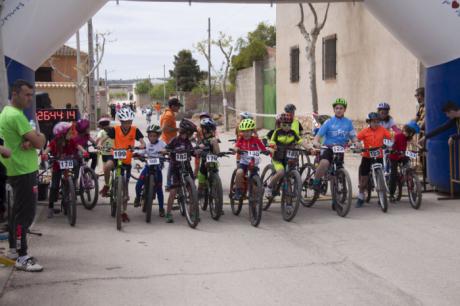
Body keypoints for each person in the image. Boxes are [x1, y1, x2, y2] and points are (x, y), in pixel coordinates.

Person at [0, 79, 46, 272]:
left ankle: (13, 249)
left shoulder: (6, 113)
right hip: (23, 170)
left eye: (31, 95)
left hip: (15, 170)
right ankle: (22, 256)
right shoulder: (16, 116)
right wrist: (37, 137)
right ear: (15, 93)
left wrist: (33, 139)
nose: (29, 98)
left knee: (16, 214)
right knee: (25, 216)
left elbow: (33, 140)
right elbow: (39, 141)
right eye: (26, 94)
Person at [311, 98, 361, 205]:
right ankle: (316, 181)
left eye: (341, 108)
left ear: (344, 110)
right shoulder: (329, 122)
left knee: (336, 172)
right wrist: (316, 142)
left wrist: (356, 142)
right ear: (334, 110)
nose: (339, 110)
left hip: (340, 149)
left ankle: (335, 199)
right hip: (328, 148)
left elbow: (353, 136)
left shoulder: (348, 123)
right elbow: (318, 136)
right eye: (337, 108)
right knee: (324, 163)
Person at [99, 108, 146, 222]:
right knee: (107, 166)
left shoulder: (135, 130)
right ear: (121, 122)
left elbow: (142, 142)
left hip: (127, 159)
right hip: (115, 155)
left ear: (131, 121)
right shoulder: (115, 129)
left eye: (129, 121)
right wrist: (100, 144)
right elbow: (105, 138)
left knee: (125, 188)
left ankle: (124, 212)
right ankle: (106, 185)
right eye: (124, 122)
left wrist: (141, 145)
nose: (127, 124)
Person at [41, 122, 88, 218]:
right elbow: (48, 149)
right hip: (57, 166)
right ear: (62, 134)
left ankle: (67, 198)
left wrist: (84, 151)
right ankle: (51, 206)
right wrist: (44, 154)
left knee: (70, 182)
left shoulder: (72, 141)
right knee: (54, 186)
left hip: (68, 165)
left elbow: (78, 146)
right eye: (70, 132)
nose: (72, 134)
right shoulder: (55, 142)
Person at [355, 112, 392, 208]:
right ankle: (361, 196)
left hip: (379, 156)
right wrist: (357, 144)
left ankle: (382, 196)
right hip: (367, 156)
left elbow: (390, 138)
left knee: (382, 175)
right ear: (369, 122)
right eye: (373, 121)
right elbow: (356, 139)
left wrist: (389, 144)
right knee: (364, 179)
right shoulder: (365, 131)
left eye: (377, 121)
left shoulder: (383, 130)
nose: (375, 123)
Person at [164, 119, 197, 223]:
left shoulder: (188, 142)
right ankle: (168, 213)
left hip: (186, 167)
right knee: (173, 191)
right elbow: (167, 148)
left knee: (192, 190)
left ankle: (192, 213)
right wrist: (165, 151)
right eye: (189, 133)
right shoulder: (175, 140)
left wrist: (197, 151)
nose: (189, 135)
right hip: (176, 168)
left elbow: (193, 152)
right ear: (184, 132)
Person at [265, 113, 304, 198]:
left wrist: (310, 148)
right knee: (281, 172)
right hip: (278, 158)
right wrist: (272, 147)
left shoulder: (293, 133)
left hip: (289, 158)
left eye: (289, 125)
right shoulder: (277, 132)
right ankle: (269, 187)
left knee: (290, 174)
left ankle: (289, 198)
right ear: (280, 124)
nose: (287, 127)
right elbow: (272, 141)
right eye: (284, 125)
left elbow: (301, 141)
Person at [134, 124, 166, 217]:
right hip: (148, 167)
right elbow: (142, 152)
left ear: (158, 136)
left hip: (157, 168)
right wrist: (137, 154)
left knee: (159, 189)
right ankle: (137, 197)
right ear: (148, 136)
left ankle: (161, 208)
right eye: (150, 135)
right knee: (138, 184)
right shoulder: (147, 145)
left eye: (154, 136)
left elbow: (166, 149)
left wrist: (165, 151)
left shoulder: (162, 144)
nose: (152, 138)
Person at [233, 118, 266, 201]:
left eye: (248, 131)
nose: (246, 133)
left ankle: (255, 197)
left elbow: (263, 148)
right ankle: (238, 190)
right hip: (243, 162)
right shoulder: (241, 139)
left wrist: (267, 151)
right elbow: (236, 146)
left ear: (252, 132)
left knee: (256, 184)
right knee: (239, 172)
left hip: (253, 163)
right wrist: (236, 149)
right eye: (243, 131)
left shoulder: (256, 140)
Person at [389, 121, 420, 202]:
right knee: (393, 174)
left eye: (411, 133)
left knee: (408, 165)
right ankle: (391, 194)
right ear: (405, 130)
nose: (409, 135)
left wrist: (422, 148)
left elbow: (414, 143)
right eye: (408, 132)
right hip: (394, 156)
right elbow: (392, 144)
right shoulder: (398, 135)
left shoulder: (408, 138)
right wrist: (392, 149)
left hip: (402, 156)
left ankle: (409, 179)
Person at [196, 118, 220, 200]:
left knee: (214, 179)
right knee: (201, 178)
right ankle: (199, 192)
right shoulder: (202, 139)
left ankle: (217, 200)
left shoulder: (213, 139)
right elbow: (198, 147)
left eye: (202, 128)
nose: (202, 130)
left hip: (212, 162)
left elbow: (217, 151)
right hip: (205, 162)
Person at [96, 117, 113, 190]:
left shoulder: (112, 131)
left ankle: (108, 184)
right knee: (106, 170)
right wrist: (98, 144)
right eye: (104, 125)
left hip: (112, 153)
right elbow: (98, 140)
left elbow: (98, 140)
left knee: (108, 169)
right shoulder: (102, 132)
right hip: (105, 153)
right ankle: (107, 184)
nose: (106, 127)